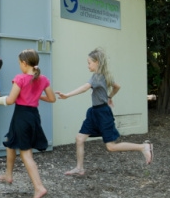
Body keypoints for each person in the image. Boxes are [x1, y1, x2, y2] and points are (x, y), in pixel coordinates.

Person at [55, 48, 153, 176]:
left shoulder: (97, 77)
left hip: (102, 113)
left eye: (89, 62)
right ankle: (79, 168)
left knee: (111, 146)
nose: (87, 65)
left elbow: (85, 88)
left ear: (97, 62)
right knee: (79, 138)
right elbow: (117, 86)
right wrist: (109, 97)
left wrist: (67, 95)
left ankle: (143, 147)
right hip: (94, 112)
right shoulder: (104, 76)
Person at [0, 49, 56, 198]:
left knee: (26, 154)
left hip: (21, 116)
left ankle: (39, 187)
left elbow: (11, 100)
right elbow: (52, 99)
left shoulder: (20, 78)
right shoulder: (43, 79)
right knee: (10, 140)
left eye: (19, 63)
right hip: (33, 116)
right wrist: (36, 95)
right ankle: (8, 175)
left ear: (25, 63)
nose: (19, 66)